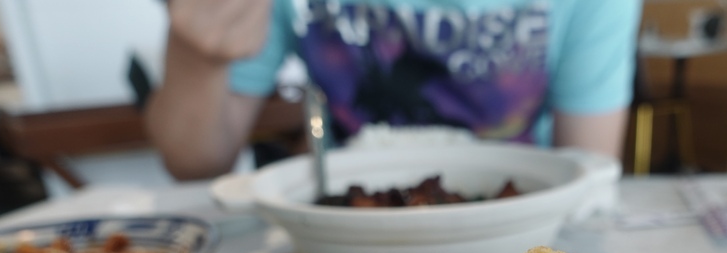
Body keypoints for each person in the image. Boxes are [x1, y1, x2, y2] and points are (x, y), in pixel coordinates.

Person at [145, 0, 640, 180]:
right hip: (346, 231)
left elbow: (588, 174)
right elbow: (194, 160)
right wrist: (197, 53)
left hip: (514, 236)